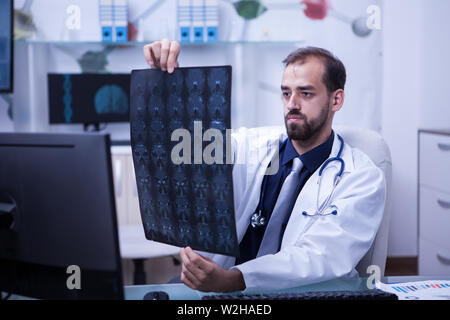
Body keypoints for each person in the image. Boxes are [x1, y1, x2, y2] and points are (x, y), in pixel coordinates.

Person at [142, 39, 386, 293]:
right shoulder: (252, 145)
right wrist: (165, 86)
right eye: (286, 92)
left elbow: (322, 256)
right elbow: (186, 153)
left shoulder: (362, 177)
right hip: (222, 291)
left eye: (306, 93)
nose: (292, 103)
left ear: (336, 100)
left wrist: (235, 279)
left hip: (300, 293)